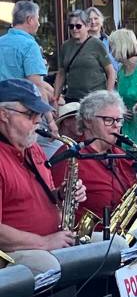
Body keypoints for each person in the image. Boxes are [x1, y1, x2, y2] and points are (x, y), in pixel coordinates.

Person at [0, 79, 85, 274]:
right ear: (3, 115)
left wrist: (62, 194)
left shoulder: (33, 148)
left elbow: (35, 195)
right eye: (30, 114)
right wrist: (44, 242)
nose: (39, 120)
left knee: (113, 246)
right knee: (48, 266)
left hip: (51, 239)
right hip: (16, 251)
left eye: (39, 114)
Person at [49, 90, 135, 230]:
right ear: (88, 122)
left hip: (124, 231)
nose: (117, 126)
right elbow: (53, 205)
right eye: (109, 120)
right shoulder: (69, 156)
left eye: (119, 120)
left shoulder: (120, 154)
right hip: (88, 238)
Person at [53, 9, 115, 103]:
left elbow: (110, 72)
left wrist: (108, 96)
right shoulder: (65, 46)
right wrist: (55, 98)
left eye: (78, 26)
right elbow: (61, 73)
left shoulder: (97, 44)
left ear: (87, 26)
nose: (74, 29)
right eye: (71, 26)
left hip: (95, 98)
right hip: (72, 98)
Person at [0, 1, 52, 102]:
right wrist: (49, 116)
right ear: (30, 20)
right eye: (37, 18)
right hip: (21, 108)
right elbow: (36, 85)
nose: (39, 23)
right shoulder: (29, 45)